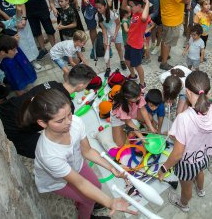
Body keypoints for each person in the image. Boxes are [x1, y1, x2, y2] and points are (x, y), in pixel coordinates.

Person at [19, 89, 136, 217]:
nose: (69, 122)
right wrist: (109, 201)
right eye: (60, 120)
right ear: (42, 123)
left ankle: (85, 202)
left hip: (76, 164)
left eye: (69, 114)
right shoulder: (48, 154)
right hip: (57, 181)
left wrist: (112, 167)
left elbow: (88, 151)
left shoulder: (75, 122)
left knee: (96, 186)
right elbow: (80, 183)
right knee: (88, 200)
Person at [157, 71, 212, 212]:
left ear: (187, 92)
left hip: (187, 163)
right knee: (200, 171)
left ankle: (183, 204)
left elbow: (177, 154)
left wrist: (164, 168)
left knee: (186, 187)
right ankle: (201, 190)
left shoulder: (183, 119)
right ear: (207, 91)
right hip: (204, 157)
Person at [0, 64, 96, 158]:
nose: (86, 87)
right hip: (14, 130)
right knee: (51, 152)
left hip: (3, 110)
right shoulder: (67, 106)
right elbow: (60, 133)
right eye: (87, 84)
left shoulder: (52, 83)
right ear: (81, 85)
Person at [0, 6, 37, 94]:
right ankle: (21, 95)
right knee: (15, 75)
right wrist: (13, 39)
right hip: (7, 58)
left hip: (15, 52)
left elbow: (13, 21)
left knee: (23, 69)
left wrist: (17, 12)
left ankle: (30, 88)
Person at [159, 0, 191, 70]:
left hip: (168, 17)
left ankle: (163, 56)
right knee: (168, 42)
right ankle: (164, 63)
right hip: (172, 19)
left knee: (165, 40)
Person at [121, 0, 150, 89]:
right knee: (127, 61)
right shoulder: (135, 11)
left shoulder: (143, 16)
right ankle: (133, 76)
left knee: (137, 65)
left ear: (139, 5)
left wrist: (147, 3)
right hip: (129, 42)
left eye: (132, 6)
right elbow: (124, 8)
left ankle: (142, 84)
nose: (130, 8)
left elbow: (143, 18)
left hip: (137, 46)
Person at [111, 80, 156, 147]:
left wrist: (150, 127)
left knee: (150, 118)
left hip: (132, 112)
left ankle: (132, 126)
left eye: (139, 95)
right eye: (136, 97)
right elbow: (129, 122)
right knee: (120, 144)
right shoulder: (121, 106)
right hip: (120, 118)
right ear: (127, 98)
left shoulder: (137, 94)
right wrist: (141, 137)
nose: (139, 98)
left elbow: (143, 110)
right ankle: (126, 128)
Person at [95, 0, 126, 76]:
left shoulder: (113, 14)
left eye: (100, 8)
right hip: (108, 34)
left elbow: (118, 24)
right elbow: (103, 28)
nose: (98, 10)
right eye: (97, 8)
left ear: (105, 6)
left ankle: (122, 61)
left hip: (117, 32)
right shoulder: (97, 16)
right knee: (106, 49)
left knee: (119, 48)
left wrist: (115, 35)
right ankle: (108, 67)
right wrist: (105, 39)